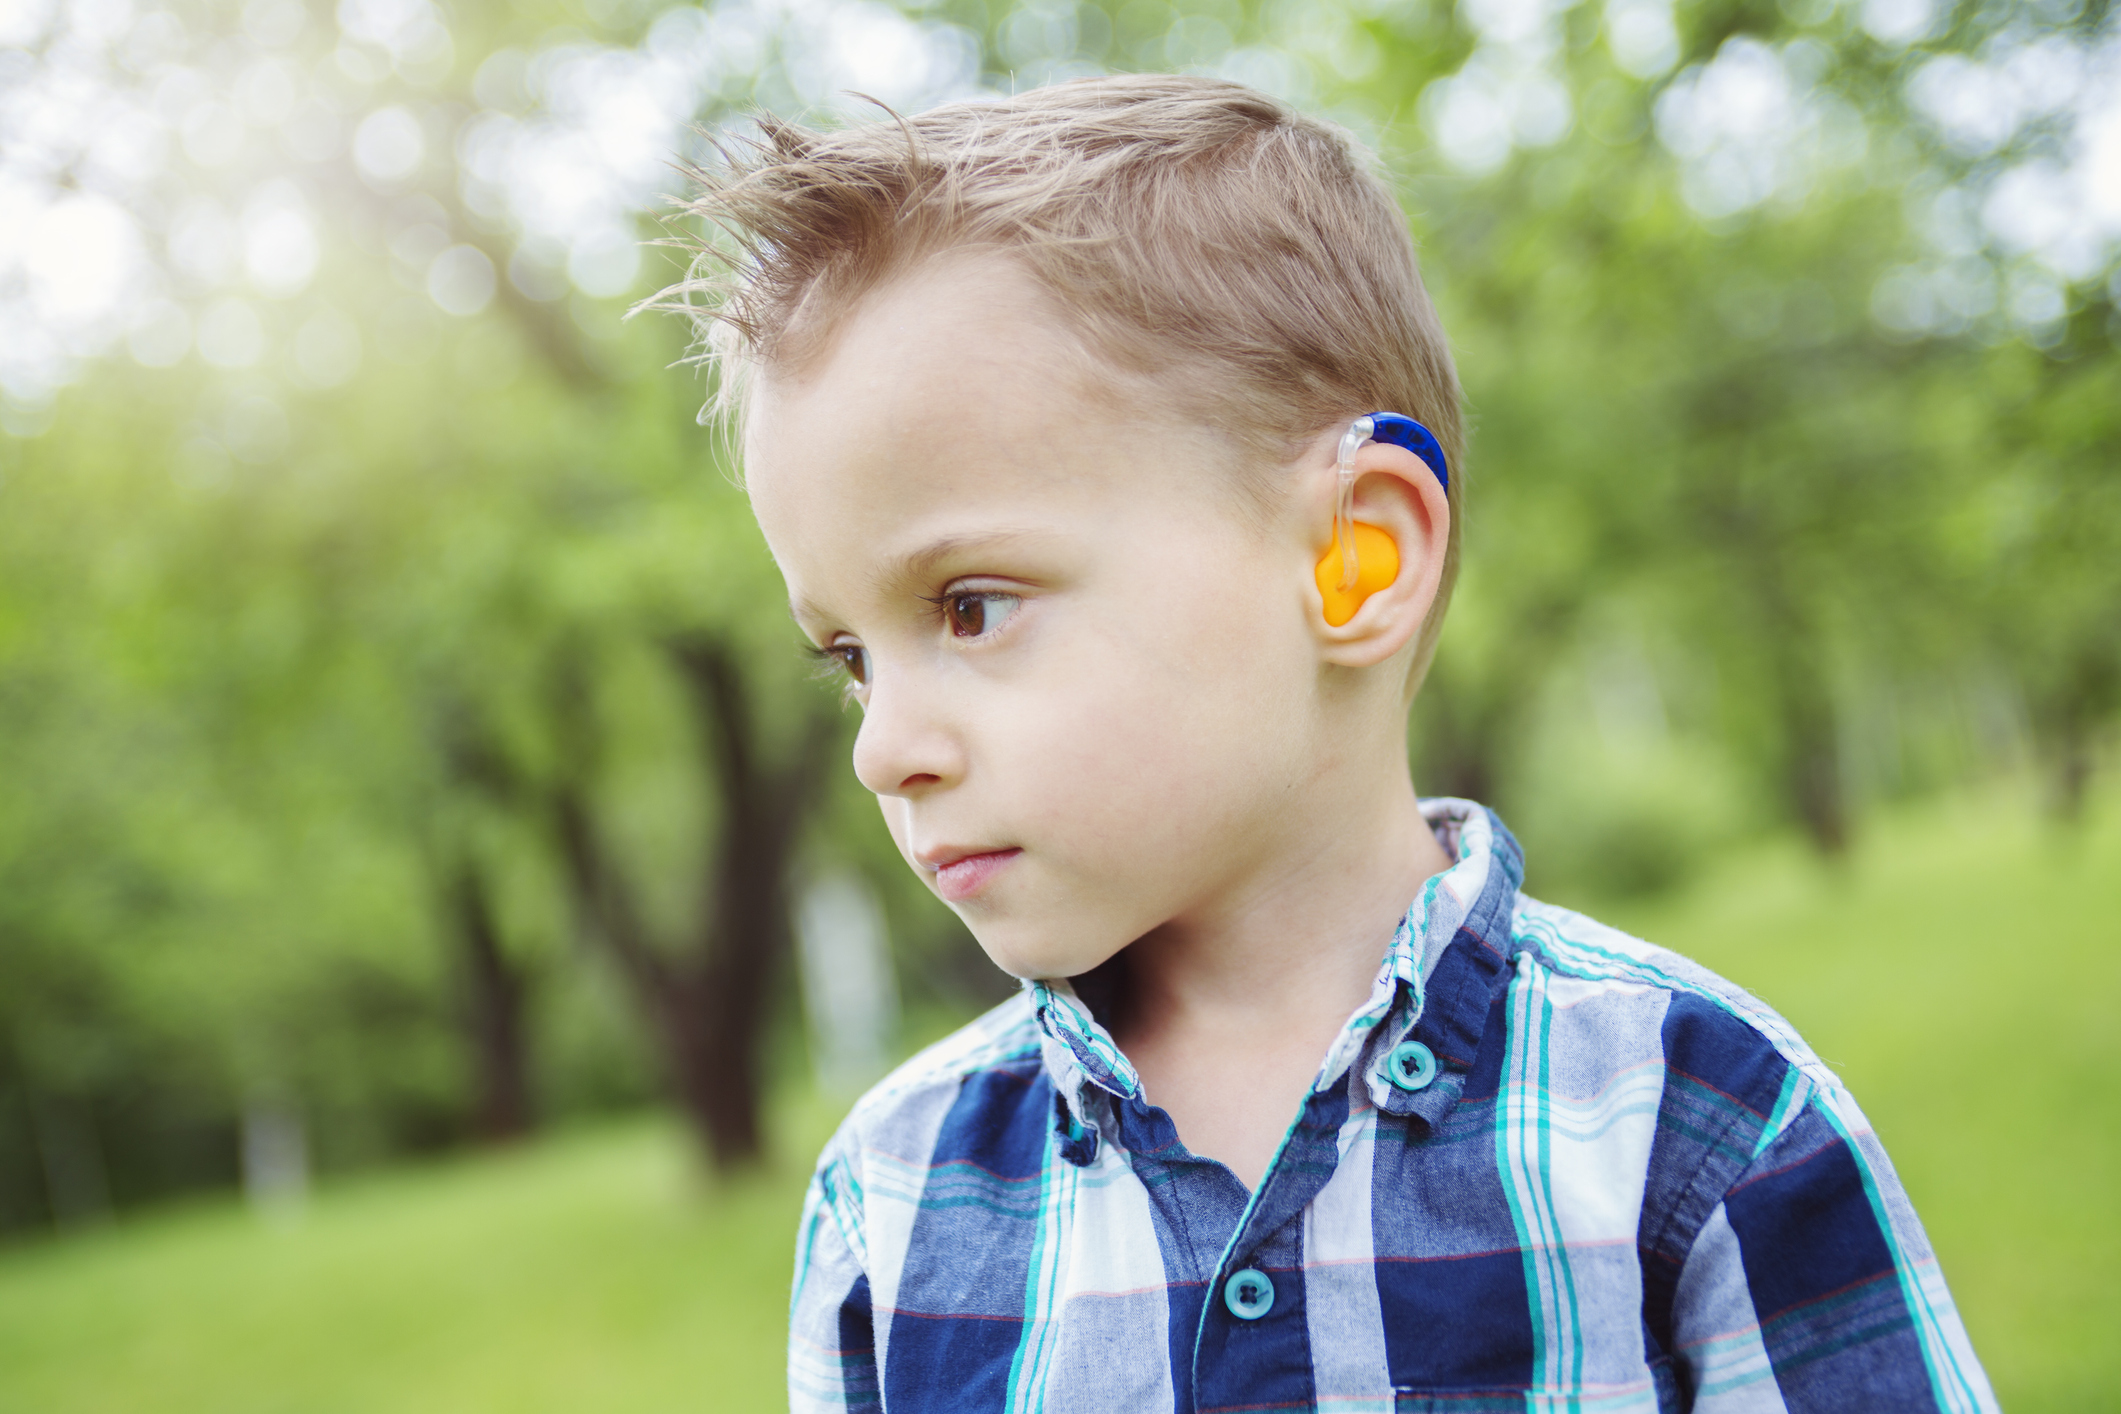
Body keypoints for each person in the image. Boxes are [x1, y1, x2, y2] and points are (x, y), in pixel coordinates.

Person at [656, 74, 1994, 1414]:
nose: (882, 747)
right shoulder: (890, 1201)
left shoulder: (1693, 1117)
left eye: (970, 605)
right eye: (848, 656)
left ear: (1354, 557)